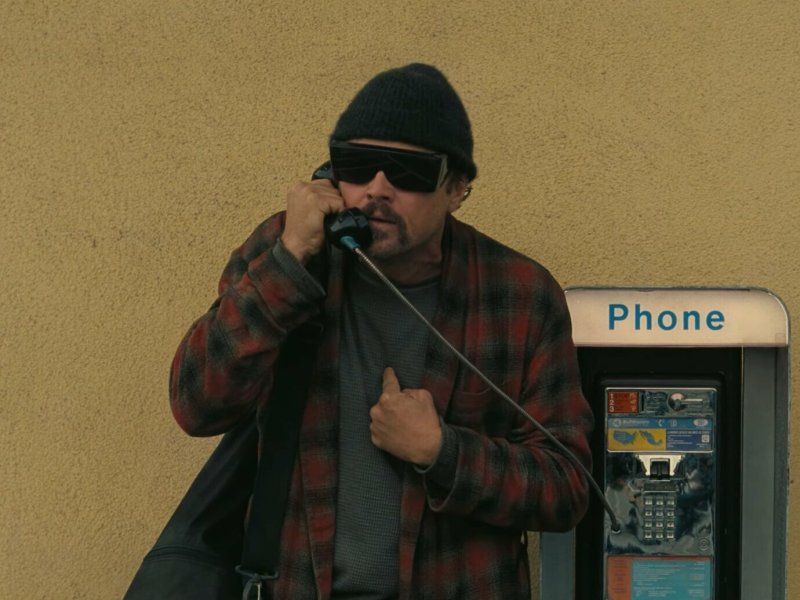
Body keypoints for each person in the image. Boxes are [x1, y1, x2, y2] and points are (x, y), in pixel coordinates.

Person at [170, 63, 593, 600]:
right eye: (356, 166)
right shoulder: (289, 255)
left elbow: (566, 487)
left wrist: (443, 452)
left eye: (408, 172)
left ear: (456, 188)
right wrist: (289, 262)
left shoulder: (519, 295)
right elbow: (196, 404)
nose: (376, 190)